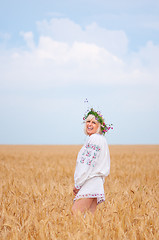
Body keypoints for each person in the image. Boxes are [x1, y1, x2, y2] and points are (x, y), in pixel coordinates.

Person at [72, 108, 112, 215]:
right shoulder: (101, 139)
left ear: (99, 126)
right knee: (89, 218)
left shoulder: (94, 139)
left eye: (94, 122)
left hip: (90, 181)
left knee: (76, 214)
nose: (90, 124)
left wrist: (78, 183)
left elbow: (86, 165)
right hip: (96, 182)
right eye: (88, 121)